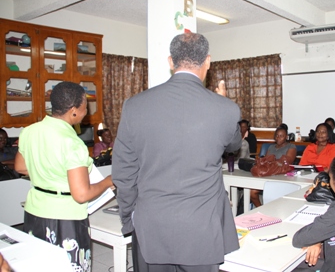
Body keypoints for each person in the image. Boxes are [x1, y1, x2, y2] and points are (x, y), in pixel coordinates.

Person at [112, 33, 242, 272]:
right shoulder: (226, 108)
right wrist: (223, 102)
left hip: (151, 224)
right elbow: (234, 146)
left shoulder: (135, 105)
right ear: (208, 61)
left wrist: (128, 217)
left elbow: (123, 172)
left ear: (171, 61)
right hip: (201, 228)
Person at [14, 81, 114, 271]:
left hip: (35, 212)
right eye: (85, 106)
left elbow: (20, 167)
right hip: (64, 219)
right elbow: (81, 194)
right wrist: (108, 181)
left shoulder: (30, 131)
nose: (87, 111)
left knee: (39, 267)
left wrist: (48, 172)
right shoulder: (72, 143)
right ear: (74, 111)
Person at [250, 126, 296, 207]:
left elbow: (288, 161)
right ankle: (261, 209)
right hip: (268, 174)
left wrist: (273, 161)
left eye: (281, 136)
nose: (278, 138)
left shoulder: (291, 147)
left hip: (282, 176)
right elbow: (266, 162)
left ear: (286, 137)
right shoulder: (271, 147)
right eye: (277, 135)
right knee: (252, 192)